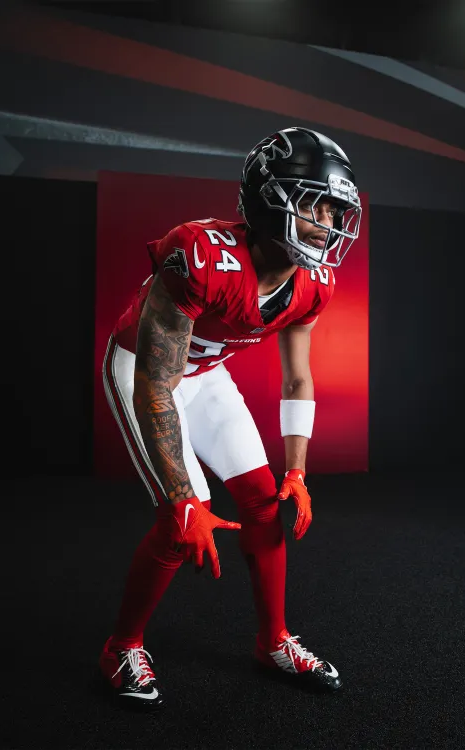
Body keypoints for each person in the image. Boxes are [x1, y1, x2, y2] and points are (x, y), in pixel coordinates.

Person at [98, 127, 362, 709]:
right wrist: (184, 499)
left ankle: (274, 642)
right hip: (144, 368)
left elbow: (297, 379)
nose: (329, 223)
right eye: (315, 205)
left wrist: (297, 471)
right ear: (270, 201)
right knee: (180, 519)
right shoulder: (201, 255)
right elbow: (157, 383)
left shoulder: (314, 282)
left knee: (266, 502)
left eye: (335, 209)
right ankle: (121, 646)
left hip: (206, 374)